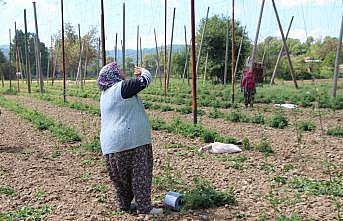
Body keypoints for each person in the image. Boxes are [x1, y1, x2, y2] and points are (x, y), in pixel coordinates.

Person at [97, 62, 162, 215]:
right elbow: (146, 80)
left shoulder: (105, 95)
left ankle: (123, 206)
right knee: (140, 175)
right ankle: (145, 208)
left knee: (121, 180)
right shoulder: (121, 88)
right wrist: (143, 71)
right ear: (113, 74)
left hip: (110, 147)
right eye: (118, 69)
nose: (122, 71)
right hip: (133, 142)